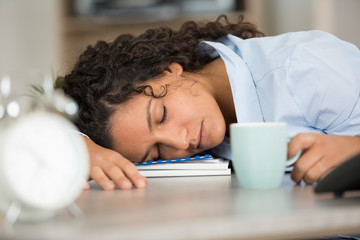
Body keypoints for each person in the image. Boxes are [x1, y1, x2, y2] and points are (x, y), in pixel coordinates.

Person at [61, 15, 360, 190]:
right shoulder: (205, 117)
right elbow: (34, 114)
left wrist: (354, 149)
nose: (180, 144)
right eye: (155, 152)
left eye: (162, 115)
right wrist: (77, 145)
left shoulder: (304, 70)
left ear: (169, 68)